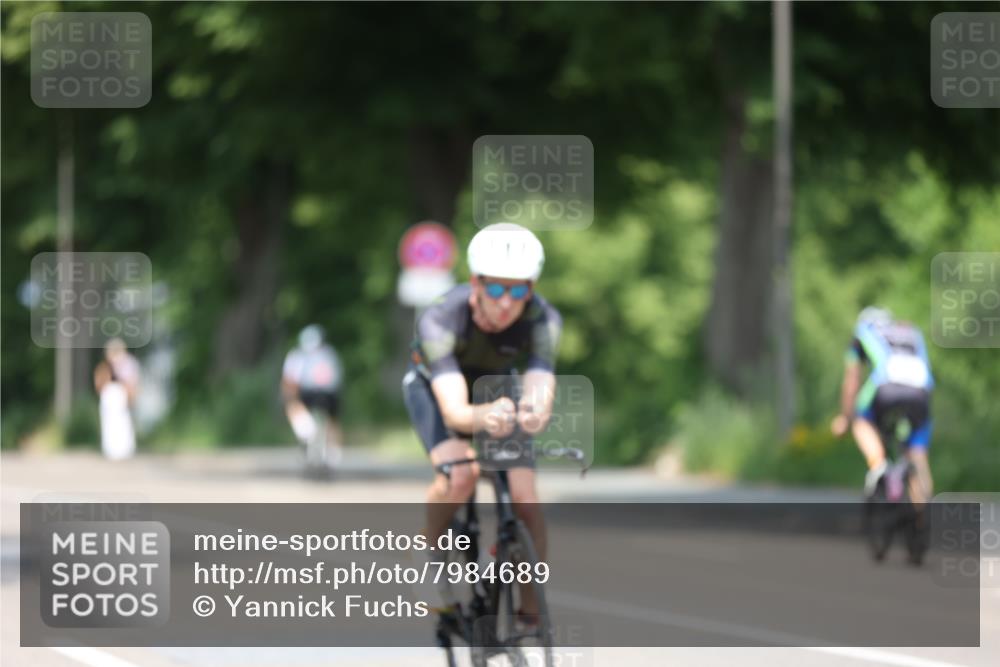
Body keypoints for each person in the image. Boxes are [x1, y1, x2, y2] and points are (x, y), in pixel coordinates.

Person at [402, 222, 561, 620]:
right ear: (475, 282)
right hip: (438, 388)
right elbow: (455, 411)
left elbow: (540, 379)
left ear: (531, 288)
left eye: (519, 289)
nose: (506, 302)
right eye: (495, 288)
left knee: (525, 498)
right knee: (461, 474)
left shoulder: (543, 317)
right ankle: (429, 553)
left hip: (497, 386)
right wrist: (486, 417)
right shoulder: (439, 320)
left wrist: (537, 409)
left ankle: (529, 610)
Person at [831, 307, 935, 506]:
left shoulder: (863, 332)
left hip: (886, 387)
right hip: (921, 392)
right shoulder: (910, 332)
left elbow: (852, 381)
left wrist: (845, 417)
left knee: (861, 420)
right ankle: (923, 521)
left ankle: (879, 465)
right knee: (917, 454)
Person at [282, 324, 344, 467]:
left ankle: (308, 433)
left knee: (292, 405)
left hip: (311, 394)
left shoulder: (298, 355)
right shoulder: (330, 353)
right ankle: (332, 451)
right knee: (332, 418)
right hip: (328, 394)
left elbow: (290, 380)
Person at [93, 338, 140, 461]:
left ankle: (122, 450)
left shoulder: (127, 364)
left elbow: (131, 383)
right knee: (111, 424)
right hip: (111, 398)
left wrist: (130, 397)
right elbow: (100, 383)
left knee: (121, 423)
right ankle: (112, 450)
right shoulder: (107, 366)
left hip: (120, 397)